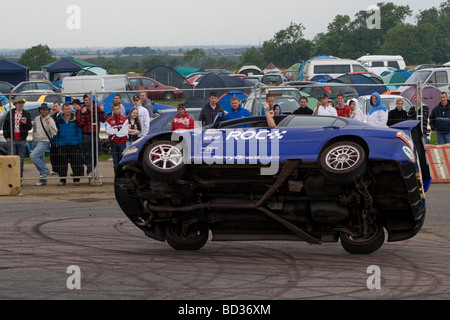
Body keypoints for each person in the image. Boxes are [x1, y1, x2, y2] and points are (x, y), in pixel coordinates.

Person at [76, 93, 106, 184]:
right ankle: (90, 171)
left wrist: (101, 111)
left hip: (95, 133)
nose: (87, 101)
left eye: (88, 99)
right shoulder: (81, 110)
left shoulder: (96, 109)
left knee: (96, 152)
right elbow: (80, 123)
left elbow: (103, 119)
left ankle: (90, 170)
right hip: (85, 134)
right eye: (86, 100)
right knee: (87, 153)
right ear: (84, 101)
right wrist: (83, 114)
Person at [53, 103, 84, 186]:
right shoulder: (59, 120)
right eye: (66, 109)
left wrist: (78, 141)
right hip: (62, 145)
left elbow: (79, 131)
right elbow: (56, 132)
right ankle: (62, 180)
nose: (68, 111)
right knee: (62, 164)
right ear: (63, 110)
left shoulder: (75, 119)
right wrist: (57, 143)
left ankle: (76, 180)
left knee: (75, 163)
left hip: (74, 144)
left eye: (69, 109)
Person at [2, 97, 33, 180]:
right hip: (12, 140)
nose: (21, 105)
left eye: (22, 103)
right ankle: (11, 178)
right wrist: (7, 137)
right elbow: (5, 126)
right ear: (15, 104)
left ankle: (19, 178)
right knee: (11, 160)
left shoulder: (26, 114)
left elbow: (29, 127)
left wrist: (25, 123)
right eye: (19, 103)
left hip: (21, 140)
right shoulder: (10, 113)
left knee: (21, 160)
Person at [30, 103, 58, 186]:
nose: (45, 111)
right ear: (40, 110)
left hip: (44, 141)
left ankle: (45, 170)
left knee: (33, 156)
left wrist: (49, 123)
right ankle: (43, 180)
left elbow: (55, 132)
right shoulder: (36, 119)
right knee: (41, 160)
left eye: (46, 109)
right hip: (36, 140)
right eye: (43, 109)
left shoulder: (50, 119)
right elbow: (34, 129)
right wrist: (33, 138)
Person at [106, 103, 129, 171]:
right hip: (113, 142)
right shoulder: (109, 120)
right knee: (115, 161)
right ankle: (116, 177)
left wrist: (114, 132)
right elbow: (108, 132)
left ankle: (122, 177)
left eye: (117, 109)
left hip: (122, 142)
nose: (116, 110)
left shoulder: (125, 119)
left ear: (120, 109)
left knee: (122, 160)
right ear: (112, 110)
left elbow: (124, 132)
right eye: (114, 109)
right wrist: (118, 129)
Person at [49, 100, 63, 175]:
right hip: (54, 136)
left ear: (60, 106)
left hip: (60, 136)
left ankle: (59, 168)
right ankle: (55, 168)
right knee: (53, 153)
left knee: (59, 153)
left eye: (56, 106)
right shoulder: (54, 115)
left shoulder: (62, 115)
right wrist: (50, 114)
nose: (55, 108)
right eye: (54, 106)